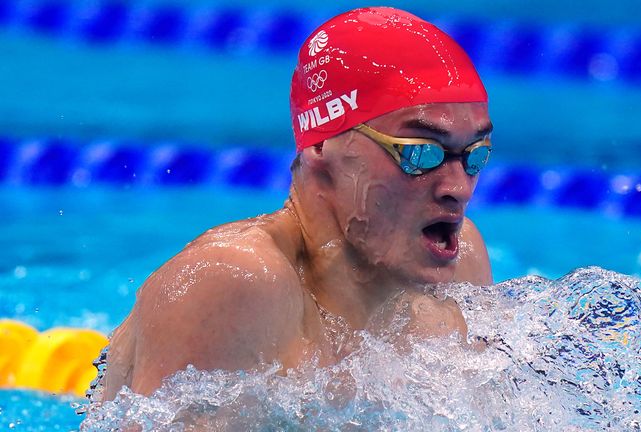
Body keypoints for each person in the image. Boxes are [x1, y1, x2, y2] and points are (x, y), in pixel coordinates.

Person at [101, 6, 494, 400]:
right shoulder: (232, 283)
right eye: (420, 152)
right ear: (321, 143)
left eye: (476, 153)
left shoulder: (463, 260)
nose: (458, 188)